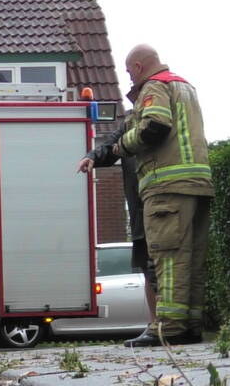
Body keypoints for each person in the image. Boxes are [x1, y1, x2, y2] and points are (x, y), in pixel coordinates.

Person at [112, 44, 213, 346]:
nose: (130, 78)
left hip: (167, 186)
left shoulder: (154, 86)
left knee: (168, 258)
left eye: (129, 72)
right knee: (192, 258)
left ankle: (168, 328)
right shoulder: (185, 87)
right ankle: (190, 325)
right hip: (198, 184)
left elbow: (154, 126)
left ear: (139, 67)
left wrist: (121, 146)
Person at [77, 111, 158, 342]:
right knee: (147, 269)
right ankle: (155, 326)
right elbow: (110, 147)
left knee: (162, 268)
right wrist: (92, 156)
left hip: (161, 204)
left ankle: (171, 326)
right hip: (139, 210)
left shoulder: (158, 122)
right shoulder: (130, 123)